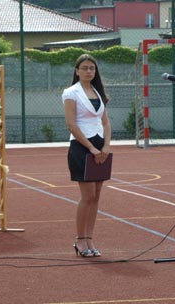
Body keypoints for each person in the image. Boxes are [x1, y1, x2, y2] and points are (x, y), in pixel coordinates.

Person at [62, 54, 111, 257]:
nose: (89, 71)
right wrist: (91, 148)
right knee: (88, 195)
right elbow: (71, 124)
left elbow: (105, 122)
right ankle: (80, 240)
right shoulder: (70, 93)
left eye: (92, 68)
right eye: (84, 68)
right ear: (77, 71)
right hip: (82, 147)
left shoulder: (98, 92)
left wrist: (106, 146)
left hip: (100, 147)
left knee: (96, 196)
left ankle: (90, 239)